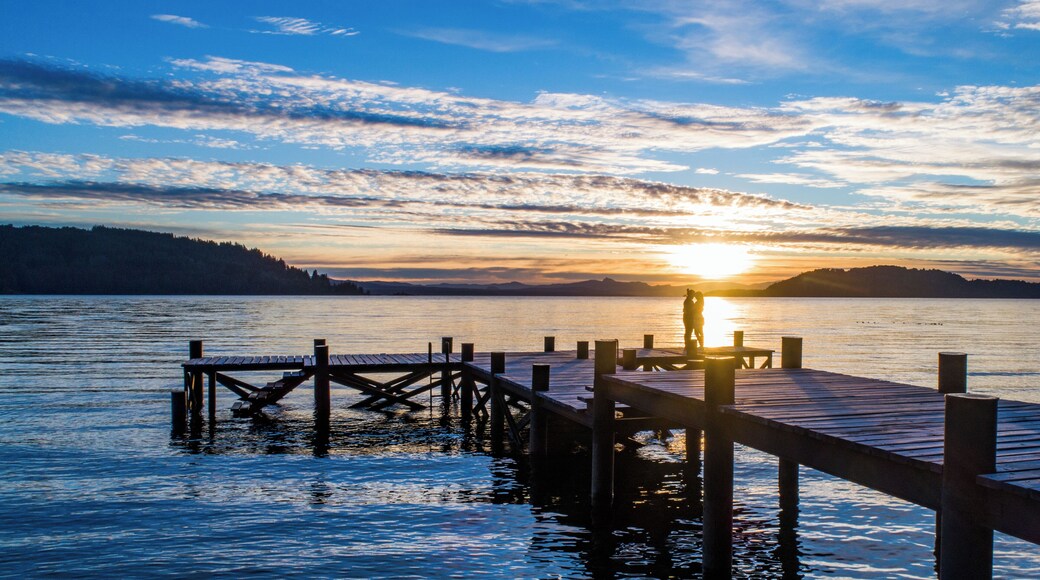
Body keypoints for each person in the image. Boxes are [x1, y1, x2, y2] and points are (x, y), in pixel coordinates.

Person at [682, 289, 696, 354]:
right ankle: (687, 345)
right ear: (691, 295)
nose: (694, 296)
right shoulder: (688, 301)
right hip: (688, 318)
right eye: (693, 295)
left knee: (688, 332)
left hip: (687, 318)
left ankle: (687, 345)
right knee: (688, 331)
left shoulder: (688, 301)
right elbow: (688, 311)